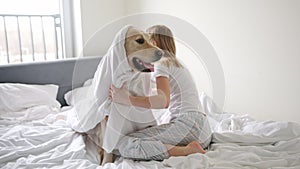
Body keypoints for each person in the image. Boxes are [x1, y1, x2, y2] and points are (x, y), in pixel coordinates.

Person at [109, 25, 212, 160]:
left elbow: (163, 101)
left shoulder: (161, 63)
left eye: (147, 41)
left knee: (125, 144)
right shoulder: (177, 63)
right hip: (204, 131)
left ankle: (188, 150)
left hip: (190, 127)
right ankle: (184, 148)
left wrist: (126, 99)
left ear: (154, 44)